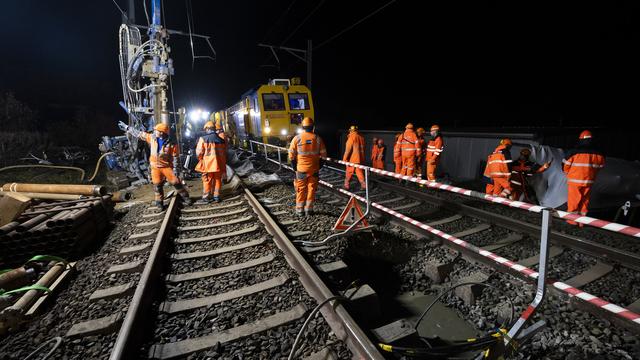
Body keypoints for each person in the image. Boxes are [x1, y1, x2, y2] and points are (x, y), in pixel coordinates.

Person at [118, 121, 192, 210]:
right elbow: (139, 134)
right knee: (157, 185)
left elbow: (175, 156)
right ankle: (159, 203)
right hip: (155, 167)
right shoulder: (152, 138)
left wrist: (176, 169)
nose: (155, 132)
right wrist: (127, 128)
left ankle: (186, 198)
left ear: (162, 132)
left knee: (176, 182)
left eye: (156, 130)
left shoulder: (171, 143)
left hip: (166, 166)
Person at [562, 130, 605, 225]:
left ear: (580, 139)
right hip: (589, 181)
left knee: (574, 200)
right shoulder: (599, 153)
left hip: (574, 180)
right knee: (585, 200)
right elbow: (600, 167)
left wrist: (568, 173)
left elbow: (565, 165)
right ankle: (582, 222)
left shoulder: (574, 152)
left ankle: (572, 221)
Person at [288, 117, 327, 216]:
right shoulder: (318, 139)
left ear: (303, 127)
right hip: (314, 169)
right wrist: (319, 167)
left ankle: (300, 210)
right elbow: (324, 156)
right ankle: (309, 209)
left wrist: (294, 168)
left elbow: (291, 156)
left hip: (301, 170)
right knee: (312, 189)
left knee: (301, 189)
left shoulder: (296, 138)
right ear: (313, 127)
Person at [195, 121, 227, 203]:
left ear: (208, 129)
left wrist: (200, 159)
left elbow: (199, 152)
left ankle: (206, 197)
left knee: (207, 180)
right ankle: (216, 196)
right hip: (219, 164)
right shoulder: (221, 140)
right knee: (217, 179)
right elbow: (224, 152)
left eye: (206, 129)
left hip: (208, 164)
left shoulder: (203, 139)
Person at [343, 125, 366, 190]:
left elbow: (348, 150)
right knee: (359, 172)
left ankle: (346, 185)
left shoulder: (351, 137)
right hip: (360, 159)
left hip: (352, 159)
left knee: (349, 172)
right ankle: (363, 185)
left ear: (350, 130)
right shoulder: (361, 138)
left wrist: (344, 159)